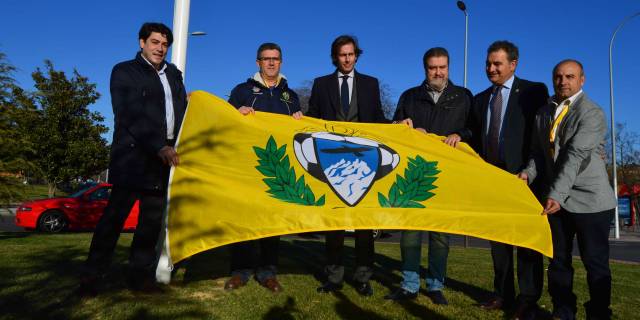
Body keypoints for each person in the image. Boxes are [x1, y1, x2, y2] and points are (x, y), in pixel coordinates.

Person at [79, 22, 187, 295]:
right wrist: (157, 146)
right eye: (155, 42)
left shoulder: (174, 75)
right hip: (132, 158)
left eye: (164, 44)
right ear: (142, 43)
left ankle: (139, 278)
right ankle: (92, 277)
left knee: (149, 225)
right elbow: (128, 114)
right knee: (113, 221)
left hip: (161, 162)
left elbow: (182, 109)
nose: (160, 48)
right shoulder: (124, 71)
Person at [518, 60, 616, 320]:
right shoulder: (543, 113)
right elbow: (539, 153)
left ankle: (598, 313)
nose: (563, 81)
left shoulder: (592, 113)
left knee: (595, 263)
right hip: (557, 200)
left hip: (591, 202)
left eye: (570, 76)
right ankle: (564, 311)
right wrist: (528, 174)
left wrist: (555, 195)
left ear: (582, 80)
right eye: (558, 77)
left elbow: (575, 155)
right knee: (558, 261)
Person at [307, 35, 404, 296]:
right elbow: (312, 119)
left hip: (365, 162)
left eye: (351, 54)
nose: (347, 59)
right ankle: (334, 277)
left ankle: (363, 278)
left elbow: (378, 119)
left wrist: (396, 127)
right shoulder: (321, 84)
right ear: (335, 57)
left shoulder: (371, 84)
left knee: (363, 227)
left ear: (357, 56)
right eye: (342, 55)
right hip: (332, 160)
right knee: (334, 225)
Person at [384, 47, 471, 305]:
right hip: (414, 175)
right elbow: (393, 128)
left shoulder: (463, 96)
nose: (438, 72)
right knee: (410, 233)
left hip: (446, 175)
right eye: (433, 67)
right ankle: (409, 284)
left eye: (442, 67)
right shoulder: (410, 96)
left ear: (448, 68)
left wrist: (461, 135)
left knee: (439, 235)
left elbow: (474, 129)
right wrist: (403, 127)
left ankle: (435, 285)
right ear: (425, 69)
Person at [469, 40, 549, 319]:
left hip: (524, 179)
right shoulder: (480, 99)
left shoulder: (533, 91)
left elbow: (541, 136)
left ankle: (528, 299)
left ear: (513, 64)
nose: (491, 68)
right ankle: (502, 293)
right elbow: (472, 133)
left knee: (526, 244)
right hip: (493, 182)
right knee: (498, 244)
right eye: (488, 63)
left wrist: (530, 170)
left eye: (497, 63)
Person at [224, 42, 302, 293]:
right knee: (244, 219)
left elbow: (298, 136)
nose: (271, 63)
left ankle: (268, 272)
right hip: (248, 166)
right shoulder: (242, 91)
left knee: (272, 221)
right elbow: (225, 122)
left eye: (275, 59)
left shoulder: (292, 97)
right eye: (266, 59)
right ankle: (240, 271)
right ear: (258, 62)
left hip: (278, 169)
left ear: (281, 62)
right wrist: (236, 112)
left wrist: (300, 122)